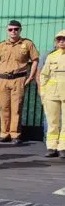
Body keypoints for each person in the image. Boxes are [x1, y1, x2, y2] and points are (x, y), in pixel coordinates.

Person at [0, 20, 40, 144]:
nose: (13, 31)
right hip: (2, 79)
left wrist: (30, 77)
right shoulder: (1, 45)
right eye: (10, 29)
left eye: (16, 29)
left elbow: (35, 60)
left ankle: (15, 134)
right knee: (3, 107)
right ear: (7, 31)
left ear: (20, 30)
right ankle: (4, 133)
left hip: (19, 79)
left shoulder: (27, 44)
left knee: (16, 108)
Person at [39, 30, 65, 158]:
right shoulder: (51, 56)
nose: (61, 42)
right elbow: (44, 75)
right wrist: (43, 92)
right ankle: (51, 146)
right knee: (52, 121)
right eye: (59, 39)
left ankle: (63, 146)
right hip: (52, 93)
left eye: (64, 39)